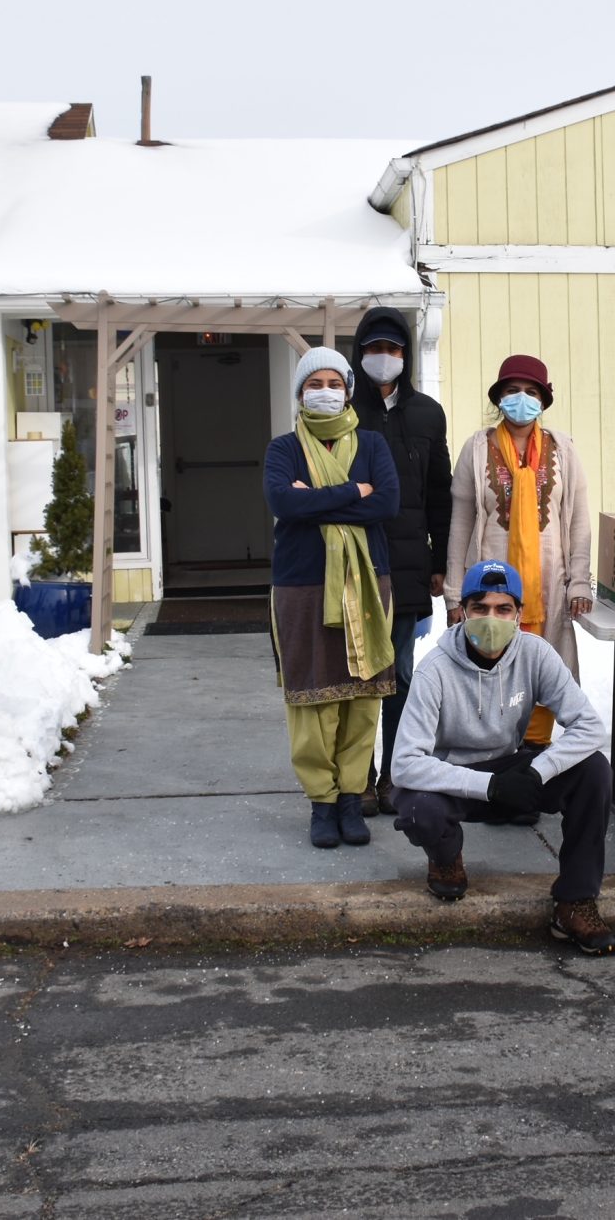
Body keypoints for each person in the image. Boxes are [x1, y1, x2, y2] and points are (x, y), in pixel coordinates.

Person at [390, 560, 615, 955]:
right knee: (417, 808)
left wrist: (536, 772)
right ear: (462, 612)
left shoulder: (536, 654)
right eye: (480, 609)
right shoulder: (435, 669)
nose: (491, 619)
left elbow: (589, 728)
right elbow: (405, 762)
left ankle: (574, 900)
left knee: (594, 770)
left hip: (514, 773)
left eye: (503, 609)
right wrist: (490, 786)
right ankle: (446, 857)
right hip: (456, 778)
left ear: (518, 614)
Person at [262, 347, 399, 850]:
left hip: (366, 581)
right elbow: (282, 501)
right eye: (314, 383)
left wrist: (314, 500)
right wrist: (352, 492)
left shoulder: (371, 443)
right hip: (303, 583)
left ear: (347, 387)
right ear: (300, 394)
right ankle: (322, 802)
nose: (325, 391)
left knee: (363, 695)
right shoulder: (283, 449)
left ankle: (351, 798)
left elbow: (387, 501)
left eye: (334, 382)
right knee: (311, 696)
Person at [446, 354, 594, 754]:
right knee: (490, 664)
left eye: (531, 392)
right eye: (512, 391)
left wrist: (579, 580)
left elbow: (579, 520)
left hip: (548, 584)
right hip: (491, 584)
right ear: (498, 398)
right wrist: (455, 593)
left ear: (543, 400)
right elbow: (460, 522)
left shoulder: (563, 449)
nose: (521, 399)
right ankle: (492, 754)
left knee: (544, 665)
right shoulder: (477, 448)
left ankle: (534, 752)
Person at [350, 306, 452, 818]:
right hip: (354, 565)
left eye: (392, 350)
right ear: (359, 353)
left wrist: (440, 561)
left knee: (399, 679)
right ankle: (358, 778)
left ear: (405, 356)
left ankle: (394, 775)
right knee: (357, 679)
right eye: (373, 349)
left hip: (409, 566)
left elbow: (440, 494)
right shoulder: (344, 410)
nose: (383, 358)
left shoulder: (428, 414)